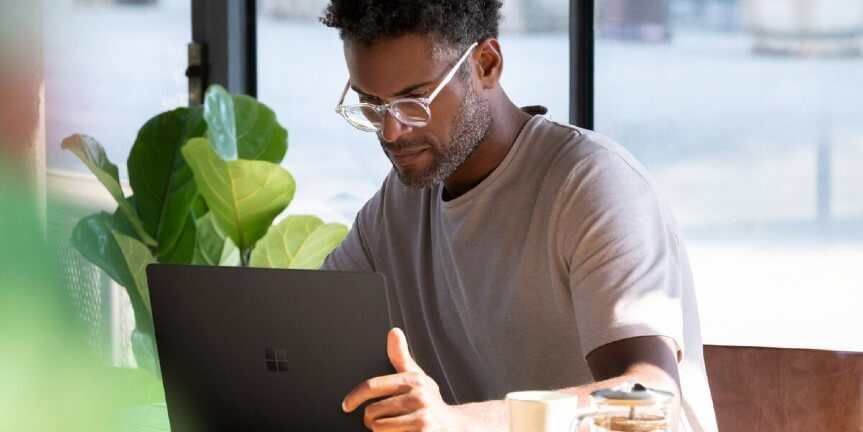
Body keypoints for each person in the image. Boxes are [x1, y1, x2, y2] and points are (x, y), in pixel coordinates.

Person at [319, 1, 717, 430]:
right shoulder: (397, 206)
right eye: (371, 105)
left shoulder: (592, 184)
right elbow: (307, 334)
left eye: (414, 101)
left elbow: (651, 400)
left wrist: (462, 423)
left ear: (486, 65)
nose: (392, 132)